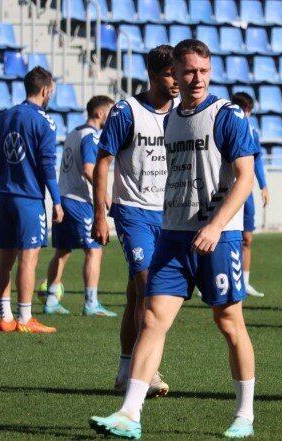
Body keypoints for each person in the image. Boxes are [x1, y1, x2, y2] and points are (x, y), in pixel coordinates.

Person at [89, 39, 259, 439]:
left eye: (202, 71)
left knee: (229, 322)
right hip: (174, 236)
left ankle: (245, 415)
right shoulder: (170, 119)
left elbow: (245, 177)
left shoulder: (227, 115)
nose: (195, 79)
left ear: (210, 70)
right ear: (176, 75)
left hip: (219, 238)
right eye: (188, 72)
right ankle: (130, 414)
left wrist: (216, 225)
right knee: (152, 317)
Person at [92, 45, 179, 397]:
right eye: (170, 75)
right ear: (153, 75)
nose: (177, 82)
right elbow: (102, 163)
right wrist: (101, 214)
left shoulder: (184, 114)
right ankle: (150, 371)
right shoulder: (126, 112)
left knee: (134, 297)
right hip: (132, 212)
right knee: (150, 288)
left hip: (171, 215)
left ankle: (125, 369)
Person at [0, 66, 62, 334]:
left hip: (4, 196)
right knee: (28, 260)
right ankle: (26, 318)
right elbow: (47, 165)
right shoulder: (45, 122)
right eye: (51, 90)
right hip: (29, 199)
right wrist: (56, 200)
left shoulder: (3, 118)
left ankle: (5, 317)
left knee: (5, 259)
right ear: (44, 90)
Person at [38, 95, 117, 317]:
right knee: (94, 250)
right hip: (80, 201)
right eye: (110, 112)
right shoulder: (91, 136)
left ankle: (52, 299)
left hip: (64, 198)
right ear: (100, 113)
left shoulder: (74, 132)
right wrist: (106, 197)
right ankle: (91, 303)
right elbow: (88, 168)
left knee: (62, 251)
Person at [230, 92, 270, 297]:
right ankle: (208, 280)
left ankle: (244, 283)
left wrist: (263, 185)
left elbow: (257, 159)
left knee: (247, 238)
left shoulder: (252, 131)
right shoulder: (224, 127)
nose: (246, 114)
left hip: (246, 192)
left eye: (248, 111)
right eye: (244, 110)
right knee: (222, 237)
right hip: (226, 191)